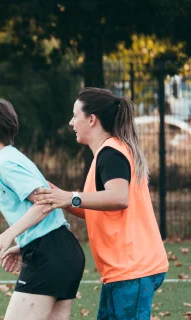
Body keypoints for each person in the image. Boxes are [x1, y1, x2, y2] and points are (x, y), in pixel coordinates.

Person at [34, 88, 169, 319]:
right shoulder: (106, 154)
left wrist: (71, 196)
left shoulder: (111, 153)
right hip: (122, 272)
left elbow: (118, 198)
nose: (71, 122)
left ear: (92, 119)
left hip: (133, 269)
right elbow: (95, 210)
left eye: (75, 116)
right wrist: (57, 195)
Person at [0, 98, 85, 320]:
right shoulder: (11, 158)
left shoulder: (5, 164)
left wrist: (8, 236)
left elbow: (46, 202)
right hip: (61, 250)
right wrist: (24, 245)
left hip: (49, 254)